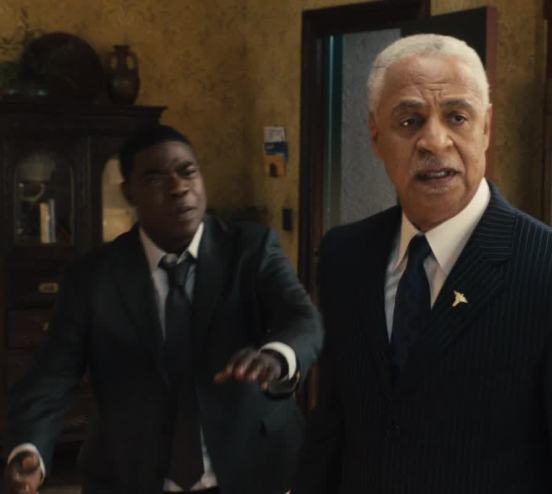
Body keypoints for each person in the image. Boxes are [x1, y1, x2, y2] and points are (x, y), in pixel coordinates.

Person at [295, 34, 552, 493]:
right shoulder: (345, 256)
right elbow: (333, 424)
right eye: (410, 121)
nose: (434, 141)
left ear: (486, 127)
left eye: (457, 117)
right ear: (375, 135)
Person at [4, 125, 323, 494]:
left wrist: (276, 356)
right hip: (130, 475)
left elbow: (303, 319)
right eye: (156, 177)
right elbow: (51, 374)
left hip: (252, 467)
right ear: (129, 193)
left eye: (188, 172)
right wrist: (28, 448)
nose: (178, 187)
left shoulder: (251, 249)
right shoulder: (92, 276)